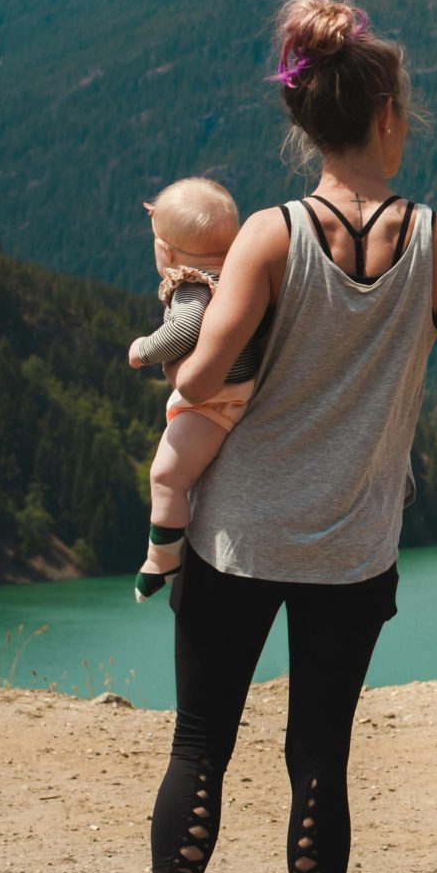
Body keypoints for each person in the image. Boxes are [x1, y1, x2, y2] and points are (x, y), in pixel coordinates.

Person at [120, 0, 437, 873]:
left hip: (233, 542)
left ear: (305, 123)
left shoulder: (267, 234)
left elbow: (207, 369)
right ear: (390, 115)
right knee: (320, 760)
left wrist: (187, 361)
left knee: (200, 745)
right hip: (351, 551)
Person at [126, 177, 261, 603]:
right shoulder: (243, 274)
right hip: (245, 388)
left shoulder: (192, 285)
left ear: (164, 251)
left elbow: (184, 330)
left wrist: (142, 350)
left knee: (165, 476)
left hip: (216, 403)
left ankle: (161, 558)